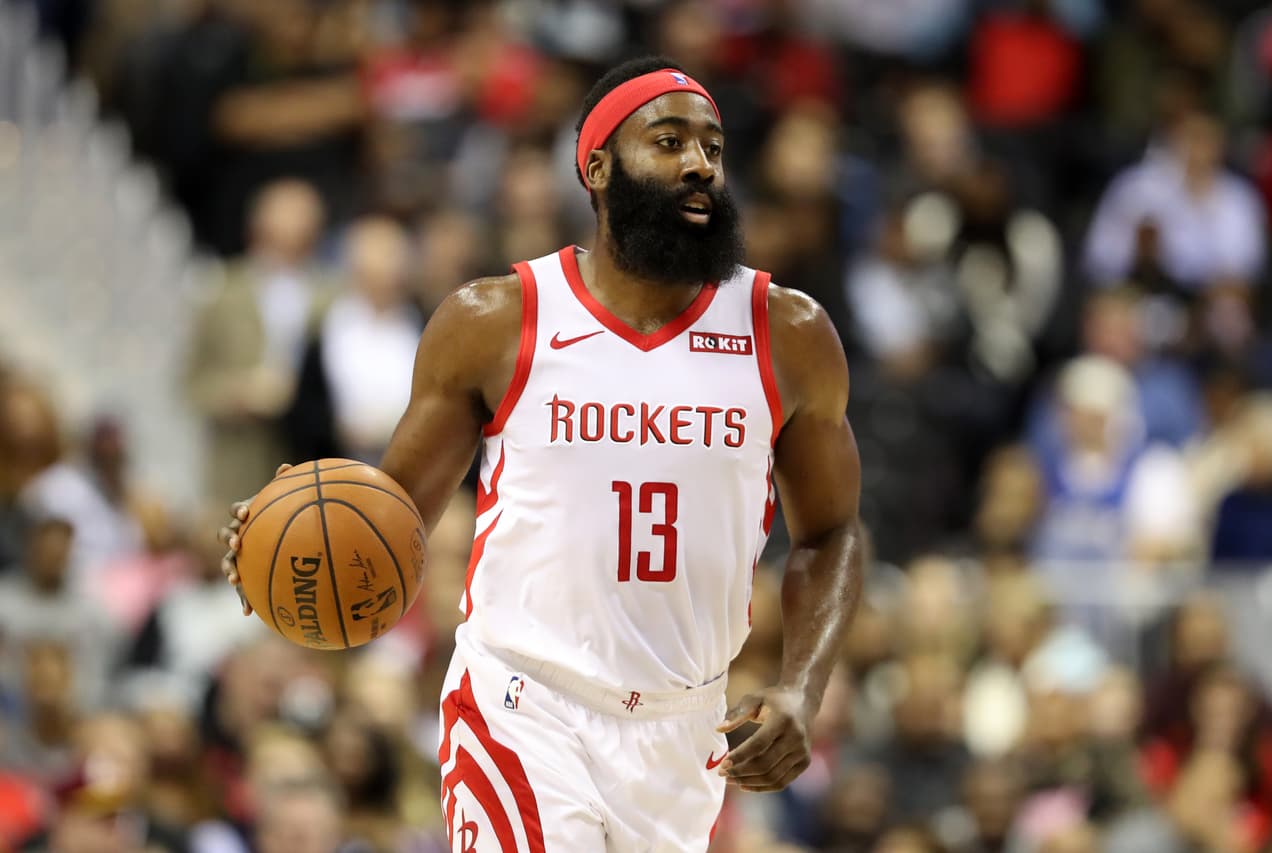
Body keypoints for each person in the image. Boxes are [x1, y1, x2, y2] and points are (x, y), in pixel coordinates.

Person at [219, 55, 864, 851]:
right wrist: (287, 535)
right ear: (597, 168)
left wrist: (803, 685)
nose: (700, 163)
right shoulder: (497, 321)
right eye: (669, 142)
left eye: (713, 147)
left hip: (682, 729)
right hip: (523, 704)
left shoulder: (787, 334)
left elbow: (831, 532)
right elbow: (388, 518)